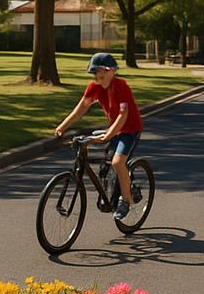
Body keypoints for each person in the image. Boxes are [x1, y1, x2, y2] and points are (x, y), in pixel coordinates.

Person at [55, 53, 143, 221]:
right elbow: (80, 110)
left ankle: (125, 200)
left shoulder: (121, 86)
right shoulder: (94, 88)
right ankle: (117, 188)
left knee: (117, 162)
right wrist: (62, 127)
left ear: (111, 71)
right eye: (94, 73)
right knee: (102, 161)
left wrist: (107, 136)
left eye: (100, 71)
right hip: (114, 130)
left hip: (129, 130)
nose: (97, 76)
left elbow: (123, 115)